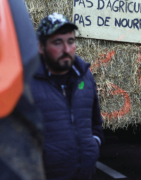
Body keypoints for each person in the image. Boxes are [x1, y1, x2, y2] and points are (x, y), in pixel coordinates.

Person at [30, 13, 104, 180]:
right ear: (41, 47)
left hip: (84, 173)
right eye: (58, 43)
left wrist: (93, 145)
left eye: (70, 41)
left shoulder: (85, 77)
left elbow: (95, 124)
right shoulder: (27, 83)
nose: (66, 49)